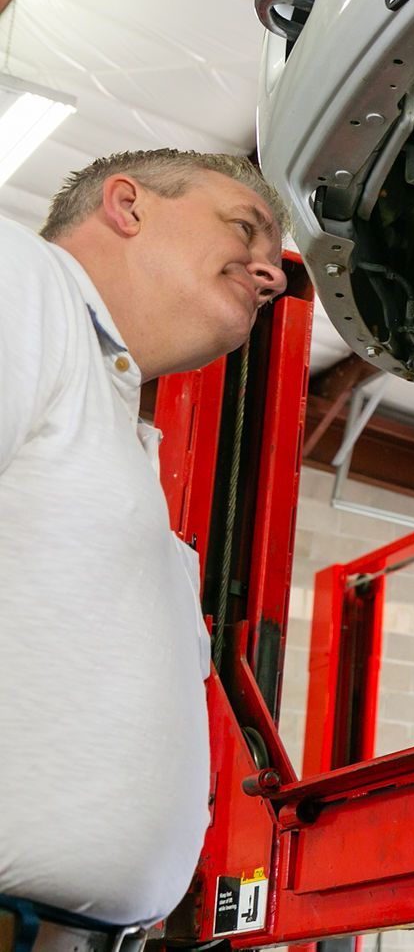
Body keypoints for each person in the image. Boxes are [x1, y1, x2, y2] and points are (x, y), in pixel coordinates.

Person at [0, 151, 288, 944]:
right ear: (127, 205)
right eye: (245, 229)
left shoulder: (117, 424)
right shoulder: (24, 279)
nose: (272, 276)